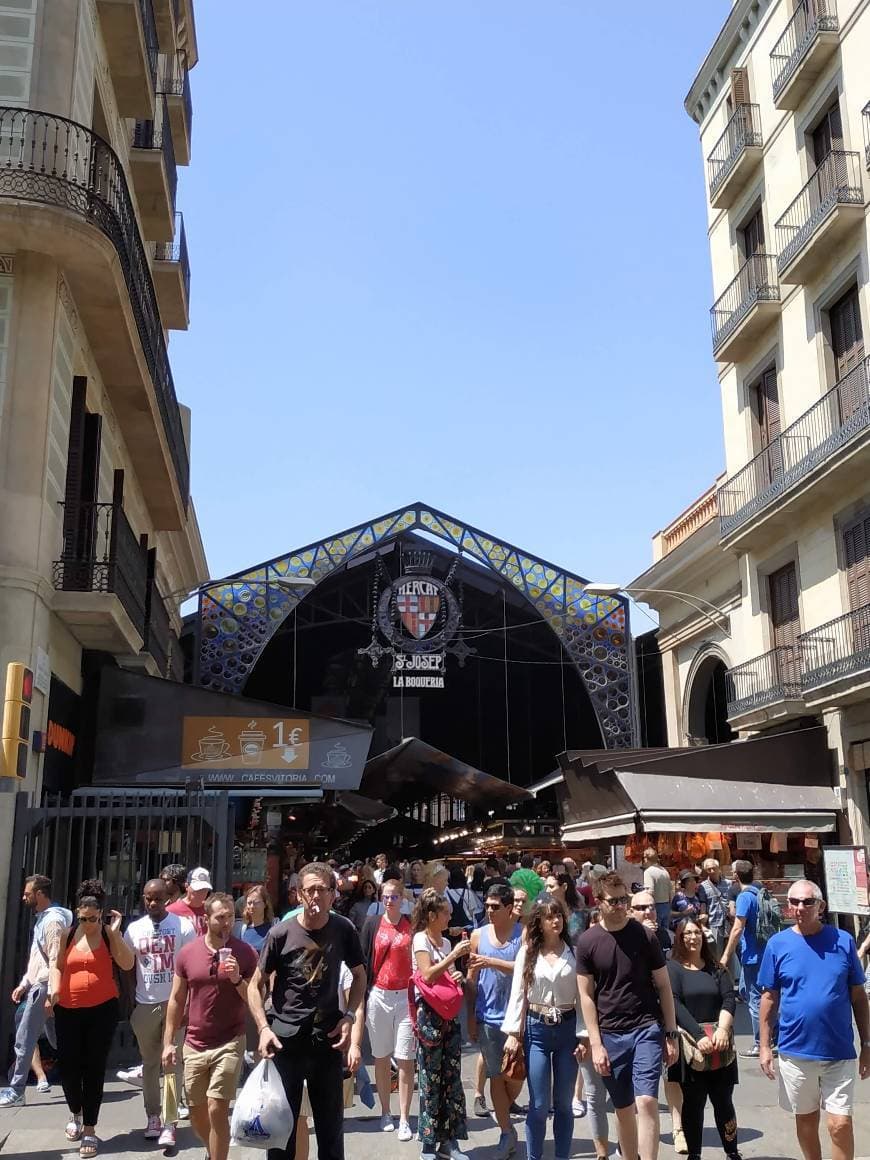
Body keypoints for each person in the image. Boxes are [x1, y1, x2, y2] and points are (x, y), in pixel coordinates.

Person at [247, 862, 366, 1160]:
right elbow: (255, 985)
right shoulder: (280, 933)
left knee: (330, 1131)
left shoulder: (344, 929)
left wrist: (350, 1016)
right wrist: (262, 1028)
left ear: (332, 895)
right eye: (309, 890)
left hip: (327, 1039)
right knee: (281, 1131)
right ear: (299, 894)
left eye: (321, 890)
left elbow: (361, 975)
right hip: (285, 1040)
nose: (315, 896)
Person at [759, 880, 870, 1160]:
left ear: (820, 906)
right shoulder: (778, 945)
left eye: (807, 902)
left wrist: (867, 1043)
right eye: (794, 902)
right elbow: (769, 998)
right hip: (796, 1052)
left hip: (839, 1051)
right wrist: (763, 1045)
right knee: (806, 1121)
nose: (800, 907)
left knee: (840, 1124)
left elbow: (858, 996)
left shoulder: (843, 941)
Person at [576, 871, 679, 1160]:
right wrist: (595, 1043)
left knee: (645, 1101)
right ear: (599, 902)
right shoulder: (588, 942)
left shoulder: (645, 936)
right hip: (609, 1034)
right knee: (623, 1109)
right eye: (614, 900)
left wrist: (670, 1033)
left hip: (646, 1027)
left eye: (624, 899)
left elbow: (663, 985)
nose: (621, 905)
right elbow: (585, 995)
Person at [502, 897, 610, 1160]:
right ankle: (534, 1156)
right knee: (539, 1105)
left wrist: (584, 1036)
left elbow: (585, 996)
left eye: (559, 915)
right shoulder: (528, 951)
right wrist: (514, 1034)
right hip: (536, 1029)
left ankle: (562, 1156)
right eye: (550, 916)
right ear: (539, 921)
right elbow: (518, 993)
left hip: (567, 1029)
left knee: (563, 1104)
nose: (556, 921)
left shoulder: (575, 952)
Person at [163, 892, 256, 1160]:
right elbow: (176, 999)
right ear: (206, 920)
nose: (227, 923)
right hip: (194, 1042)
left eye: (230, 917)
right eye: (220, 918)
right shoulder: (187, 954)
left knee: (217, 1107)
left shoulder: (245, 953)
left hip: (230, 1040)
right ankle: (212, 1150)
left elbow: (254, 998)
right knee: (196, 1112)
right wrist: (169, 1042)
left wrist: (237, 978)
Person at [50, 880, 134, 1158]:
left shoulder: (108, 935)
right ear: (77, 914)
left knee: (94, 1069)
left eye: (92, 918)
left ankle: (90, 1129)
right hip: (68, 1009)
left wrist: (115, 933)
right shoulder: (67, 934)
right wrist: (52, 993)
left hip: (102, 1009)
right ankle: (75, 1111)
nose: (87, 923)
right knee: (69, 1069)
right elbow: (57, 967)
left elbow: (127, 963)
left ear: (100, 915)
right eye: (83, 918)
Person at [125, 878, 195, 1148]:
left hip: (174, 1002)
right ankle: (153, 1116)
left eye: (157, 898)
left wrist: (188, 1002)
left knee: (172, 1064)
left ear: (167, 898)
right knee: (150, 1063)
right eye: (147, 898)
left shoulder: (183, 927)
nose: (152, 903)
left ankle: (170, 1121)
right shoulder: (134, 929)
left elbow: (190, 966)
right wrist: (132, 999)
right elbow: (127, 965)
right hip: (145, 1004)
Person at [668, 919, 742, 1160]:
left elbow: (729, 998)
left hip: (721, 1046)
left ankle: (732, 1151)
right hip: (691, 1046)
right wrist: (699, 1036)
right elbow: (675, 1005)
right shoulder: (673, 968)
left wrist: (722, 1029)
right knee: (693, 1104)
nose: (693, 937)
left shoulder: (717, 968)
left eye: (696, 932)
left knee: (724, 1102)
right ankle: (695, 1154)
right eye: (687, 933)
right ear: (679, 938)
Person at [0, 874, 71, 1108]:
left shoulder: (51, 922)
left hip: (45, 987)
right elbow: (37, 959)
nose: (24, 897)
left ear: (40, 894)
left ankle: (16, 1089)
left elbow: (54, 960)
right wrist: (24, 984)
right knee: (58, 1038)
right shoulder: (43, 919)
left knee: (24, 1038)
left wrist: (50, 992)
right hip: (41, 985)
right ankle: (81, 1074)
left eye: (28, 893)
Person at [411, 888, 471, 1160]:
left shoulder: (445, 942)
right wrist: (452, 957)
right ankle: (428, 1143)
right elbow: (427, 975)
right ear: (433, 915)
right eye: (445, 912)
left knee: (452, 1079)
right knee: (430, 1079)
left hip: (448, 1015)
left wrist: (456, 975)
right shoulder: (421, 940)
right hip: (429, 1017)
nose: (450, 916)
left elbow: (444, 978)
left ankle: (450, 1142)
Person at [466, 884, 523, 1160]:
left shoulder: (522, 937)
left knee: (516, 1076)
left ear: (510, 908)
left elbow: (526, 970)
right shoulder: (478, 935)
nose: (489, 910)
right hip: (488, 1017)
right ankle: (506, 1131)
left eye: (495, 906)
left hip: (517, 1019)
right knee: (496, 1077)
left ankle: (505, 1114)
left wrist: (490, 961)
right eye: (487, 906)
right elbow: (472, 980)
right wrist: (471, 1017)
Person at [360, 877, 415, 1139]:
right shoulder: (372, 924)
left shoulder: (411, 925)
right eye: (385, 896)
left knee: (406, 1058)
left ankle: (404, 1117)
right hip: (379, 995)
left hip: (405, 996)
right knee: (381, 1057)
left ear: (402, 899)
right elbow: (362, 960)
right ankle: (386, 1111)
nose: (389, 901)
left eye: (394, 896)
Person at [719, 860, 770, 1056]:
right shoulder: (761, 893)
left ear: (736, 876)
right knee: (751, 993)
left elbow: (738, 927)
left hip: (752, 955)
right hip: (765, 952)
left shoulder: (744, 897)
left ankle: (760, 1042)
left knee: (755, 999)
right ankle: (773, 1033)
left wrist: (725, 955)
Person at [167, 866, 211, 935]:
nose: (201, 893)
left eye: (204, 889)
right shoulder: (171, 911)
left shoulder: (210, 910)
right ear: (187, 886)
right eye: (197, 889)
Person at [698, 859, 728, 959]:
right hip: (714, 923)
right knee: (716, 954)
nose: (711, 871)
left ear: (718, 869)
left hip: (728, 923)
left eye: (713, 868)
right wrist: (703, 924)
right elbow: (703, 905)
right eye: (708, 869)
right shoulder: (703, 886)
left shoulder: (728, 883)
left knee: (731, 954)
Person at [544, 872, 586, 940]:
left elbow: (575, 939)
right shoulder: (544, 910)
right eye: (546, 887)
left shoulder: (578, 914)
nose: (547, 890)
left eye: (551, 886)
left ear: (564, 887)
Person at [238, 884, 278, 953]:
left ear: (265, 904)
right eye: (249, 903)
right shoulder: (242, 929)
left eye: (256, 903)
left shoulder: (274, 927)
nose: (252, 906)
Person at [642, 848, 673, 931]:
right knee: (665, 932)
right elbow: (670, 890)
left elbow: (650, 891)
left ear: (646, 858)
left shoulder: (648, 872)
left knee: (655, 932)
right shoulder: (664, 871)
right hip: (666, 906)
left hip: (656, 906)